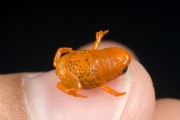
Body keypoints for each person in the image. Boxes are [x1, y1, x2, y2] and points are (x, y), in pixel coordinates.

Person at [0, 41, 180, 120]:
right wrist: (115, 92)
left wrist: (115, 92)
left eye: (123, 69)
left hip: (70, 63)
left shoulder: (89, 63)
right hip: (71, 68)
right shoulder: (95, 75)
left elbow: (93, 52)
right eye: (123, 70)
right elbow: (103, 85)